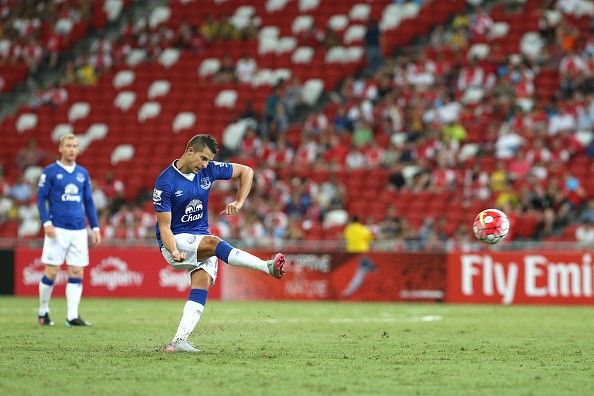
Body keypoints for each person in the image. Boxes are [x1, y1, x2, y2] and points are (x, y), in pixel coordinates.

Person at [154, 134, 286, 353]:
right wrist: (174, 249)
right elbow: (164, 226)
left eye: (208, 160)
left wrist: (239, 201)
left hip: (197, 239)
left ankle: (179, 341)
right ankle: (266, 266)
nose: (205, 165)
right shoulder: (165, 182)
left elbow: (247, 171)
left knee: (202, 282)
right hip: (175, 242)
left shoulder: (208, 169)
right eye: (203, 159)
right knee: (215, 243)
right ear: (190, 151)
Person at [36, 134, 102, 327]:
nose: (72, 149)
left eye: (75, 146)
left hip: (79, 231)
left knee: (76, 271)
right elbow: (40, 199)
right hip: (57, 229)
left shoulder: (83, 173)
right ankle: (43, 311)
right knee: (52, 271)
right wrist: (46, 223)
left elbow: (89, 202)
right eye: (69, 146)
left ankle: (72, 317)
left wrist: (95, 227)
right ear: (60, 148)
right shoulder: (50, 171)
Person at [341, 215, 376, 297]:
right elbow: (370, 238)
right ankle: (349, 291)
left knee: (360, 272)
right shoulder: (363, 229)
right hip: (361, 253)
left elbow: (345, 238)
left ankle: (349, 291)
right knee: (361, 272)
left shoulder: (348, 229)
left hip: (350, 254)